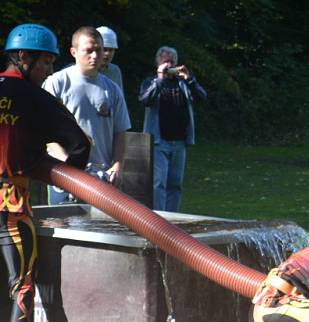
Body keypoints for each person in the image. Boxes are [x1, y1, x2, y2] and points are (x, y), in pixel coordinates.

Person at [0, 23, 90, 322]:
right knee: (22, 286)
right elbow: (79, 144)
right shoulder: (35, 99)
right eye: (45, 63)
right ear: (24, 58)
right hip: (11, 206)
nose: (47, 72)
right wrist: (57, 170)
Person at [43, 26, 130, 204]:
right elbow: (45, 131)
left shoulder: (112, 89)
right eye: (88, 51)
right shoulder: (57, 83)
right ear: (73, 52)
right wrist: (67, 164)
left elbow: (121, 132)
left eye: (99, 50)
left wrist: (117, 165)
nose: (95, 56)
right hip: (64, 175)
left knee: (100, 231)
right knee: (63, 230)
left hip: (102, 179)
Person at [139, 46, 207, 212]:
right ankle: (159, 220)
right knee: (158, 183)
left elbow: (202, 97)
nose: (169, 65)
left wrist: (190, 79)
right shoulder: (151, 82)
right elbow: (145, 100)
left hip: (180, 141)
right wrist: (160, 79)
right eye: (166, 61)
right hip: (158, 141)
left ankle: (173, 220)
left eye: (172, 62)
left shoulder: (184, 83)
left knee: (175, 184)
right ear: (158, 62)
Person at [96, 26, 123, 91]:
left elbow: (119, 99)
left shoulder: (114, 71)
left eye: (111, 50)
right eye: (104, 49)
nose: (107, 53)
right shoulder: (74, 72)